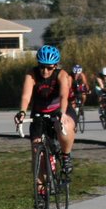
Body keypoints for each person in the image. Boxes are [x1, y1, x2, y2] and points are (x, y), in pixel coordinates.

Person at [14, 44, 75, 175]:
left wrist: (62, 113)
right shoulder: (32, 74)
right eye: (42, 67)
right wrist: (22, 112)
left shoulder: (62, 75)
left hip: (59, 109)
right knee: (37, 151)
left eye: (49, 68)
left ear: (55, 66)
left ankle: (66, 156)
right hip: (39, 112)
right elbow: (26, 96)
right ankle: (40, 187)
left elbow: (64, 96)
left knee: (65, 126)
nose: (45, 71)